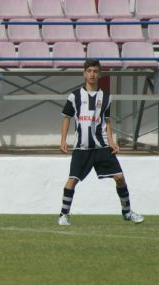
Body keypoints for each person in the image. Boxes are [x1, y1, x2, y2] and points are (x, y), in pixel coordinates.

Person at [57, 59, 144, 226]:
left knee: (119, 177)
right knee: (72, 180)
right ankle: (63, 215)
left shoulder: (106, 97)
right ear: (84, 73)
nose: (92, 74)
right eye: (89, 71)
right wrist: (63, 140)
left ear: (99, 74)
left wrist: (112, 141)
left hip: (102, 146)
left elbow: (107, 121)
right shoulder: (74, 96)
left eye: (95, 71)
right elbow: (67, 118)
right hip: (82, 148)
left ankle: (127, 212)